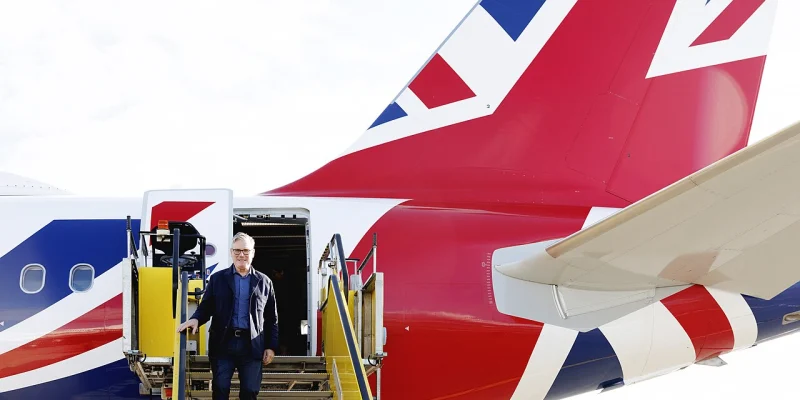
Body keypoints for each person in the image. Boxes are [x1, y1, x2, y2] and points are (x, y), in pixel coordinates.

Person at [177, 232, 278, 399]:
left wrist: (271, 346)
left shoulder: (265, 282)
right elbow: (206, 306)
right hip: (223, 343)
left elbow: (271, 319)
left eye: (245, 250)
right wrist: (195, 319)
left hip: (252, 346)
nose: (241, 255)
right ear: (231, 252)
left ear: (253, 253)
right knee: (220, 388)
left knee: (250, 390)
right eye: (237, 250)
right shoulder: (218, 279)